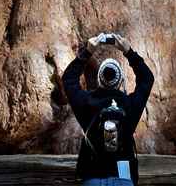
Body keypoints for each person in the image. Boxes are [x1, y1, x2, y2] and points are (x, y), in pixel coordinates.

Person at [62, 33, 155, 186]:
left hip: (92, 178)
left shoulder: (87, 103)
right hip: (123, 179)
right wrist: (128, 52)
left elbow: (69, 80)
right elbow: (147, 79)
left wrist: (87, 52)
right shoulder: (129, 104)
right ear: (120, 81)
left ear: (99, 79)